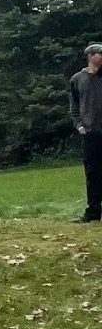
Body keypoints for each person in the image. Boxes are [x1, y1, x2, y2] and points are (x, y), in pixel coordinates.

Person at [76, 42, 102, 223]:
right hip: (91, 133)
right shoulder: (77, 79)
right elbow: (74, 106)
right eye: (100, 54)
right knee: (92, 174)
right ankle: (93, 212)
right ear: (91, 56)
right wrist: (79, 125)